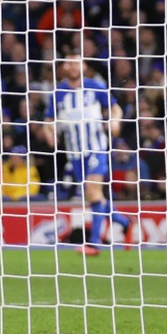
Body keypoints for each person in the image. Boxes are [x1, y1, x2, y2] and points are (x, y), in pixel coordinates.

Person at [45, 53, 130, 256]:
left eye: (77, 62)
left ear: (83, 66)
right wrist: (49, 133)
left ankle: (93, 243)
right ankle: (124, 223)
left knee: (93, 192)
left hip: (96, 147)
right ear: (65, 66)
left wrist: (114, 120)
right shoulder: (58, 92)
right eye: (70, 63)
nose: (73, 66)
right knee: (95, 196)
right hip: (74, 152)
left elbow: (115, 108)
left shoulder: (95, 86)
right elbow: (49, 120)